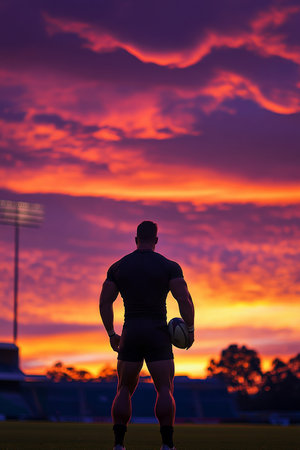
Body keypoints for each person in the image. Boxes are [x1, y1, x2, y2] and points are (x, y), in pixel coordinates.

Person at [99, 221, 195, 450]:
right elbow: (184, 299)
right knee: (164, 388)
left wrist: (112, 333)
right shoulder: (169, 266)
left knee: (123, 388)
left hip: (131, 331)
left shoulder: (118, 267)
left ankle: (119, 445)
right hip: (157, 332)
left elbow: (104, 301)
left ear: (135, 239)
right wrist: (189, 330)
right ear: (156, 240)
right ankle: (167, 445)